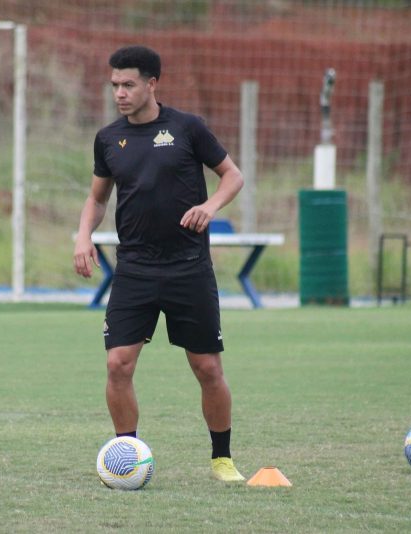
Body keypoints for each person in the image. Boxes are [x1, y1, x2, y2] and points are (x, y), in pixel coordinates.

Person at [73, 45, 245, 482]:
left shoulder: (188, 128)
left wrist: (210, 206)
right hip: (134, 268)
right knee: (118, 365)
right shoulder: (109, 138)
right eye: (114, 85)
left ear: (152, 84)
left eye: (128, 85)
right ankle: (127, 452)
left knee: (207, 368)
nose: (120, 94)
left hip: (188, 266)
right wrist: (82, 236)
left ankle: (222, 459)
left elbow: (233, 175)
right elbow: (97, 197)